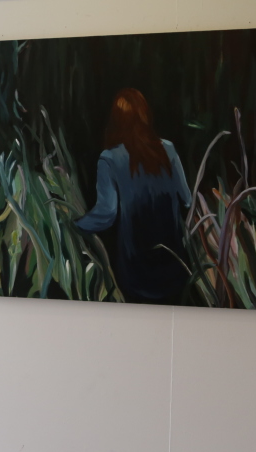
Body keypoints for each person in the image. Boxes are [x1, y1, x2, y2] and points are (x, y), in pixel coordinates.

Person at [75, 88, 191, 304]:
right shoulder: (168, 150)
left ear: (116, 121)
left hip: (136, 274)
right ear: (146, 117)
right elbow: (187, 199)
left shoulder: (109, 159)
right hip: (175, 269)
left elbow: (106, 215)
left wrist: (74, 226)